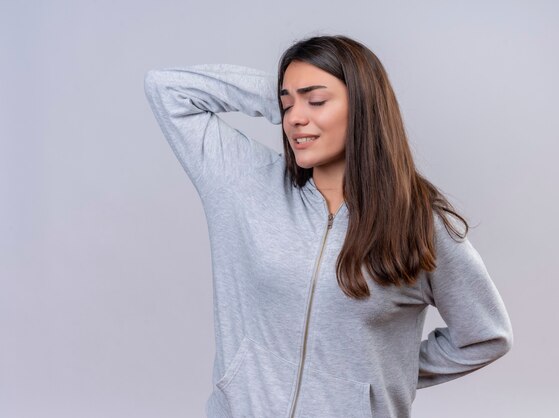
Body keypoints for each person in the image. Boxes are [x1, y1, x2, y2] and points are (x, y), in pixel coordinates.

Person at [144, 34, 513, 418]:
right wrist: (281, 95)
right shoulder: (243, 182)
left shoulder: (417, 223)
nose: (294, 118)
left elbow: (486, 335)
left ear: (364, 106)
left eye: (316, 101)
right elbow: (165, 87)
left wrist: (382, 376)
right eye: (286, 105)